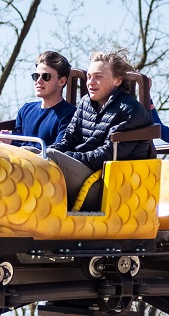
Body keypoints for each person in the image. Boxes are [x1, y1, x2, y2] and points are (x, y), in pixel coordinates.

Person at [48, 50, 153, 210]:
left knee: (51, 157)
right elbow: (69, 139)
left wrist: (66, 156)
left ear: (117, 80)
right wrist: (45, 152)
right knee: (30, 153)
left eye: (98, 77)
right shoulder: (85, 103)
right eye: (89, 77)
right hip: (83, 171)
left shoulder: (130, 110)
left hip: (103, 183)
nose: (90, 82)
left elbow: (106, 154)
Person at [10, 51, 76, 148]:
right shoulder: (25, 110)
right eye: (36, 76)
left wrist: (11, 142)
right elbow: (17, 142)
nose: (38, 81)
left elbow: (57, 152)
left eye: (46, 76)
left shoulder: (71, 115)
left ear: (61, 81)